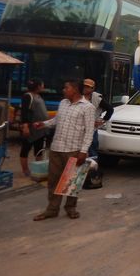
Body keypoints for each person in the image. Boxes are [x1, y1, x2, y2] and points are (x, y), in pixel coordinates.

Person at [32, 80, 95, 221]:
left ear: (75, 90)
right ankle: (52, 209)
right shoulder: (63, 103)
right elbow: (56, 121)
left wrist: (83, 151)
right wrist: (43, 124)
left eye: (66, 87)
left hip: (74, 149)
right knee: (53, 181)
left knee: (72, 182)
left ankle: (70, 208)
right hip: (56, 148)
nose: (63, 90)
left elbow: (89, 131)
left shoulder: (87, 107)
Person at [18, 79, 49, 176]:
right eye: (42, 85)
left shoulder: (38, 96)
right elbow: (24, 112)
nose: (43, 87)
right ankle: (25, 170)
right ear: (38, 86)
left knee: (39, 150)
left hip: (39, 129)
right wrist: (25, 126)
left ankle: (38, 169)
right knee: (25, 149)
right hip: (30, 129)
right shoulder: (28, 96)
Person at [82, 78, 114, 158]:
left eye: (88, 87)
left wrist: (102, 121)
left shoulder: (97, 98)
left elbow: (110, 109)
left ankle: (93, 168)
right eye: (84, 86)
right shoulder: (78, 96)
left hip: (92, 129)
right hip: (79, 128)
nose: (85, 88)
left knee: (92, 151)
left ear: (92, 89)